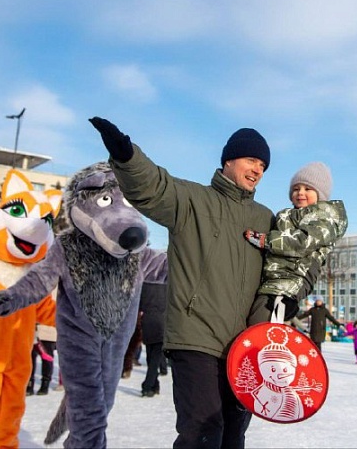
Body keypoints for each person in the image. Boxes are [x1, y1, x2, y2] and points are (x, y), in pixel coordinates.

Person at [90, 116, 274, 448]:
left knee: (234, 433)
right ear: (228, 160)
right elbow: (154, 186)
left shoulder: (265, 218)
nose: (257, 169)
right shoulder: (191, 201)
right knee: (203, 430)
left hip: (244, 345)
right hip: (196, 337)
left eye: (263, 164)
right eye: (251, 160)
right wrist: (126, 154)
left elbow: (282, 271)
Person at [244, 161, 348, 325]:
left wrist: (266, 240)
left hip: (291, 281)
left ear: (321, 194)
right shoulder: (287, 215)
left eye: (308, 189)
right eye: (296, 188)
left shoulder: (325, 217)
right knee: (255, 318)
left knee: (262, 325)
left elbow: (303, 242)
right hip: (273, 280)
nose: (300, 193)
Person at [139, 281, 167, 398]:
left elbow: (140, 305)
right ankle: (149, 385)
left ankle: (154, 385)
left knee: (151, 355)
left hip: (148, 320)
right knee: (155, 357)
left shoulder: (145, 284)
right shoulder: (167, 284)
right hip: (162, 322)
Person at [27, 322, 57, 396]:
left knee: (47, 359)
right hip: (33, 332)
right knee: (30, 359)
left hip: (48, 333)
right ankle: (29, 384)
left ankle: (45, 384)